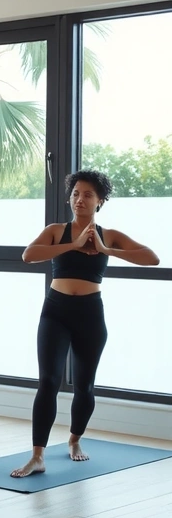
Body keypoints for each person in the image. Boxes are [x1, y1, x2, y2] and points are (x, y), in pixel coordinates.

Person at [11, 170, 159, 478]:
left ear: (100, 202)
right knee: (48, 382)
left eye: (88, 195)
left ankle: (75, 440)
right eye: (76, 193)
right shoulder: (56, 231)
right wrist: (73, 244)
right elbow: (29, 255)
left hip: (90, 313)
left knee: (85, 386)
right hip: (55, 311)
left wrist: (105, 250)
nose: (80, 199)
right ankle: (37, 455)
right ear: (70, 198)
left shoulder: (109, 234)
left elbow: (151, 258)